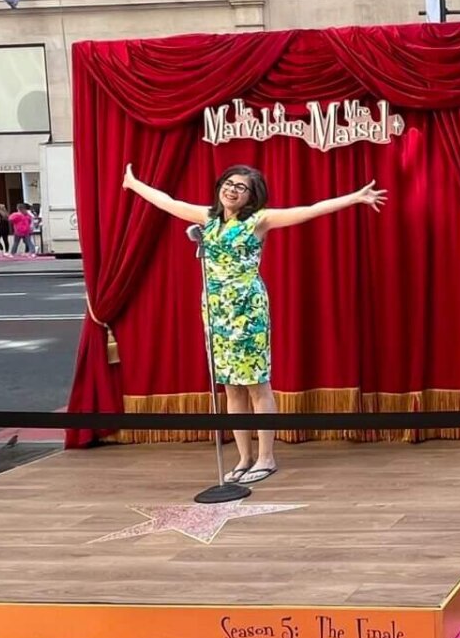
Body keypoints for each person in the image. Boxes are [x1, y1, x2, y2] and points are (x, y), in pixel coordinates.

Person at [121, 163, 388, 484]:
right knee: (231, 388)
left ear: (251, 197)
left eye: (241, 187)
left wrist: (352, 198)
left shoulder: (259, 221)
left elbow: (309, 210)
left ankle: (266, 457)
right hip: (216, 312)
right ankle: (244, 457)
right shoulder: (208, 219)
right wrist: (134, 184)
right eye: (229, 183)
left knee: (257, 385)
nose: (232, 189)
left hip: (248, 310)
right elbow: (168, 202)